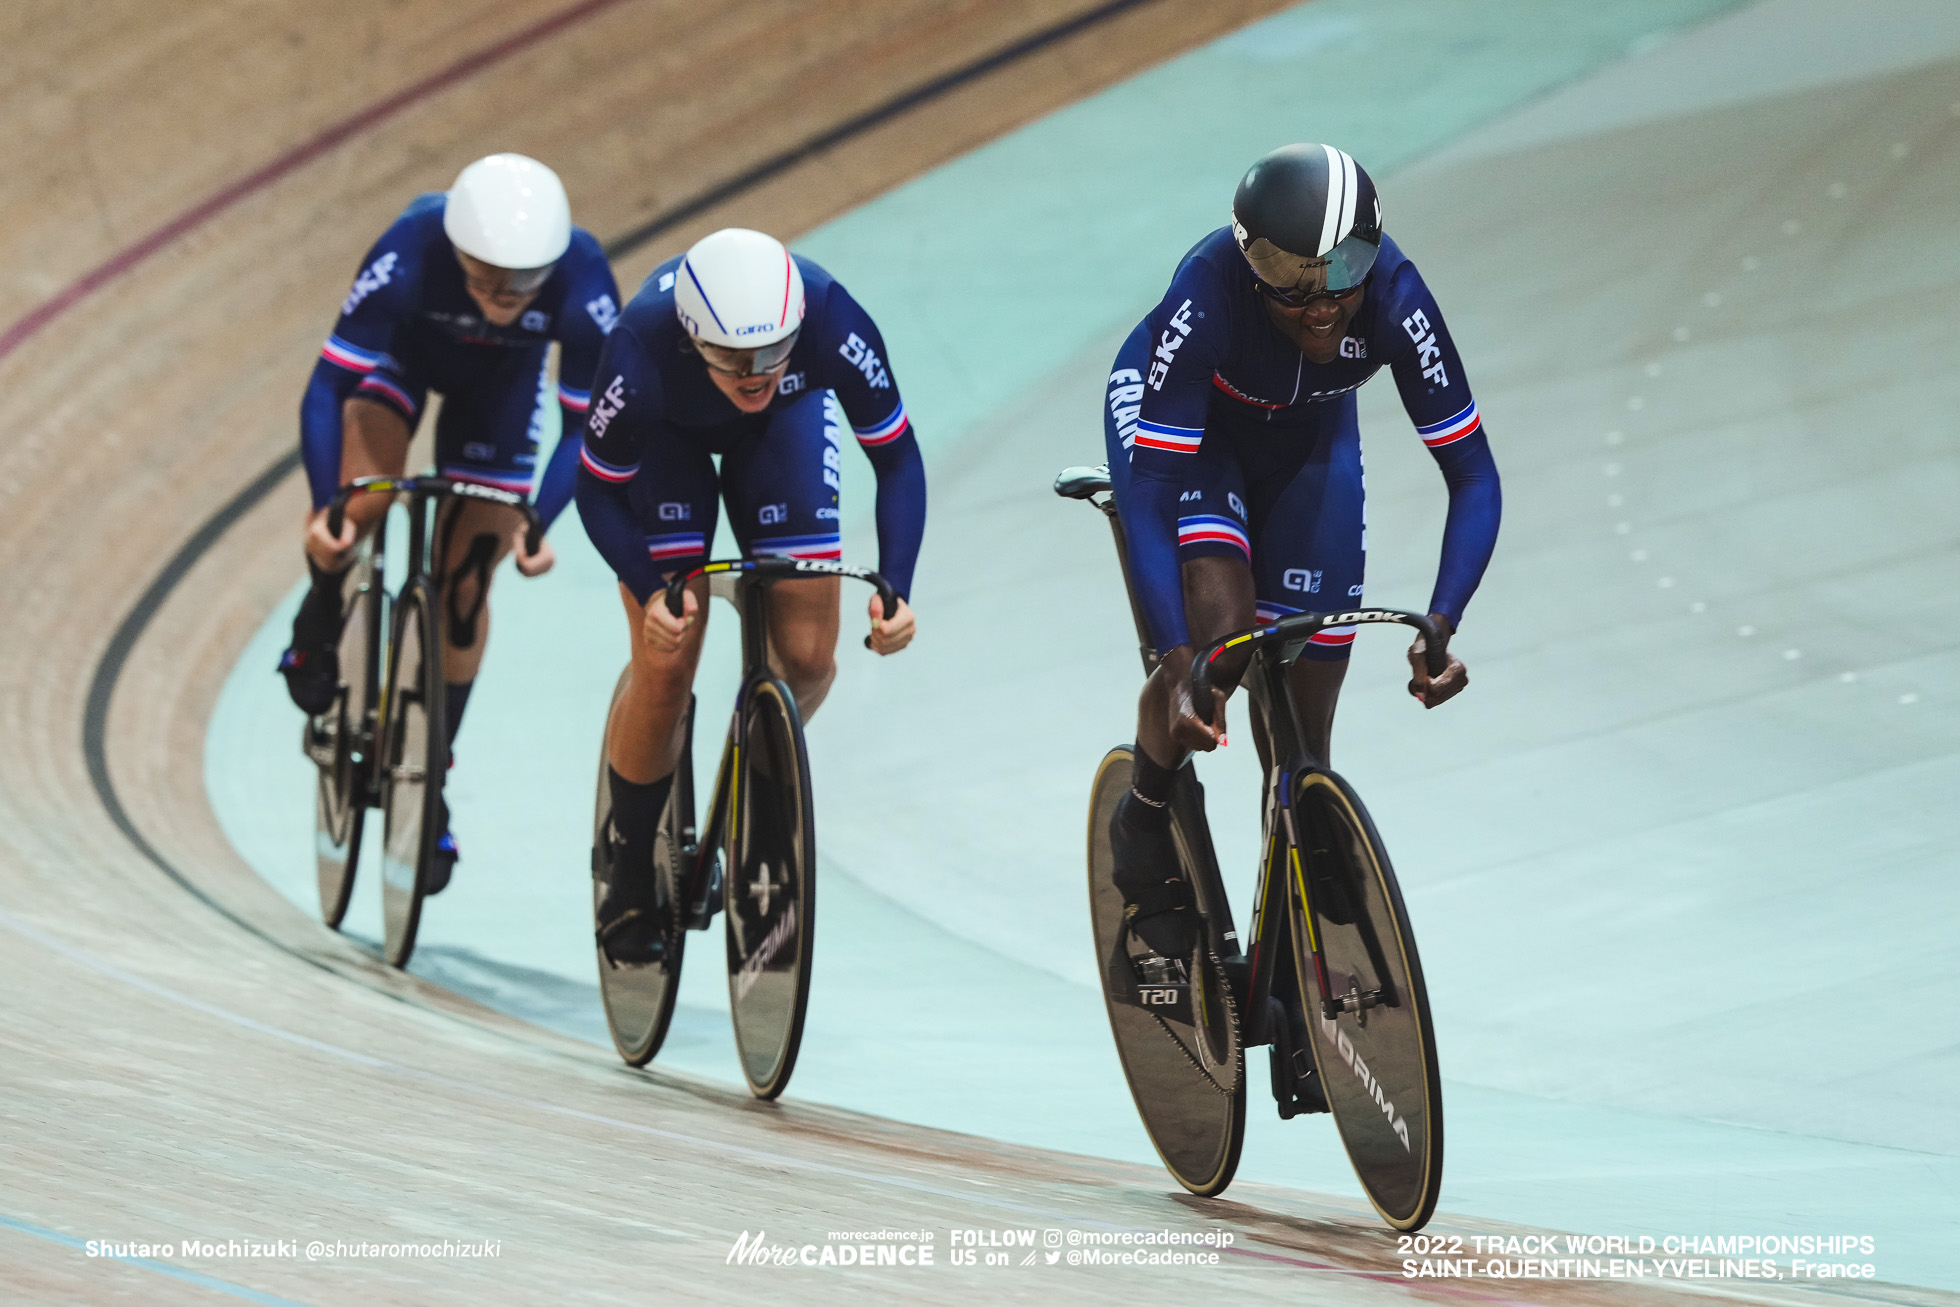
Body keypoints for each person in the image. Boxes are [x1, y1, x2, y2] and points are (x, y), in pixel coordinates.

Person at [1103, 142, 1501, 959]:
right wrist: (1181, 667)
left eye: (1343, 267)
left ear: (1374, 246)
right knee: (1224, 649)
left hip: (1309, 440)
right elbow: (1149, 499)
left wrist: (1441, 622)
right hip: (1195, 432)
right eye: (1290, 277)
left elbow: (1473, 474)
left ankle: (1282, 952)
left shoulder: (1394, 296)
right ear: (1251, 263)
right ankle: (1141, 813)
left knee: (1304, 744)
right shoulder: (1209, 295)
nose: (1321, 303)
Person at [576, 226, 925, 962]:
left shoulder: (829, 314)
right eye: (735, 358)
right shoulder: (640, 345)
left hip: (781, 434)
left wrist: (898, 583)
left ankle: (761, 815)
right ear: (693, 336)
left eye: (773, 352)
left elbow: (895, 458)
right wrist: (649, 589)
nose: (757, 370)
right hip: (667, 444)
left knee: (807, 662)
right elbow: (597, 491)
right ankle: (629, 863)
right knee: (667, 661)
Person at [280, 152, 621, 891]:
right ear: (457, 249)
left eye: (520, 284)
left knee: (466, 589)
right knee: (360, 506)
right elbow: (328, 384)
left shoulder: (583, 277)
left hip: (499, 391)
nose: (501, 297)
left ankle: (430, 772)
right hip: (397, 366)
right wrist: (321, 505)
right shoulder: (409, 248)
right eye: (485, 276)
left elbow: (586, 428)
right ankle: (318, 617)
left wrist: (540, 522)